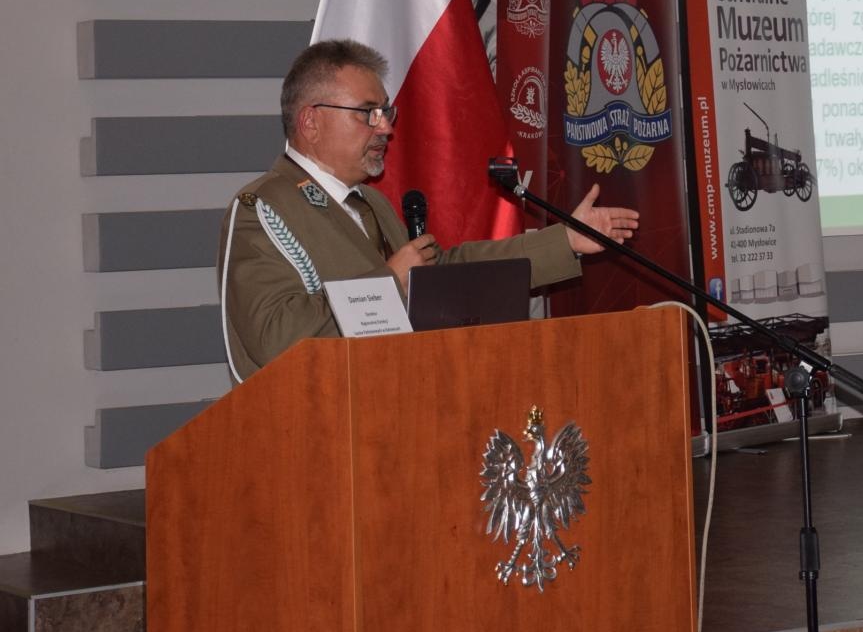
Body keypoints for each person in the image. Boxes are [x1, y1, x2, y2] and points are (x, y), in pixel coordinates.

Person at [217, 39, 638, 382]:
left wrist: (565, 240)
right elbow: (272, 337)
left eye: (386, 112)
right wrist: (389, 282)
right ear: (311, 121)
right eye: (369, 113)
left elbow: (442, 275)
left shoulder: (369, 204)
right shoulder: (264, 208)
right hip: (316, 437)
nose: (386, 127)